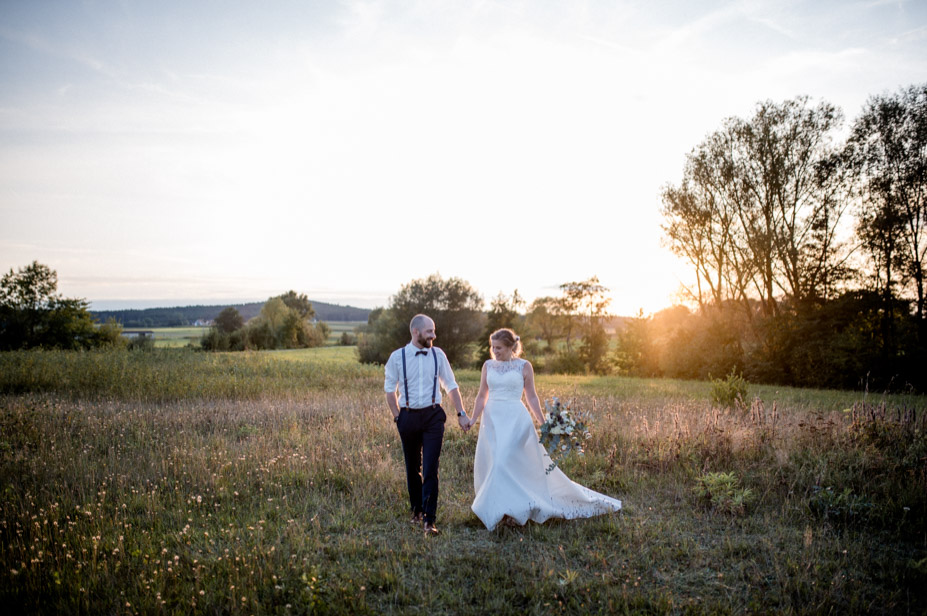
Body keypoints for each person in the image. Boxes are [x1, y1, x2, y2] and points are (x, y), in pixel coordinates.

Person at [468, 328, 621, 531]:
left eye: (499, 348)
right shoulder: (488, 366)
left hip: (516, 419)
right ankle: (503, 510)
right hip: (493, 420)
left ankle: (510, 511)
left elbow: (531, 396)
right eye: (493, 347)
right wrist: (472, 419)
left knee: (503, 462)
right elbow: (481, 396)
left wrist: (542, 421)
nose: (495, 351)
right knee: (497, 464)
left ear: (511, 347)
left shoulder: (524, 366)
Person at [385, 314, 470, 536]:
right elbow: (389, 390)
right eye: (430, 331)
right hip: (408, 417)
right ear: (416, 332)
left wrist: (460, 413)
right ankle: (416, 510)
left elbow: (451, 386)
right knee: (413, 468)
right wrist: (398, 417)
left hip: (433, 416)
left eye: (434, 331)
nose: (434, 335)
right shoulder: (397, 357)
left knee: (431, 467)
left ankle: (429, 520)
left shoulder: (438, 355)